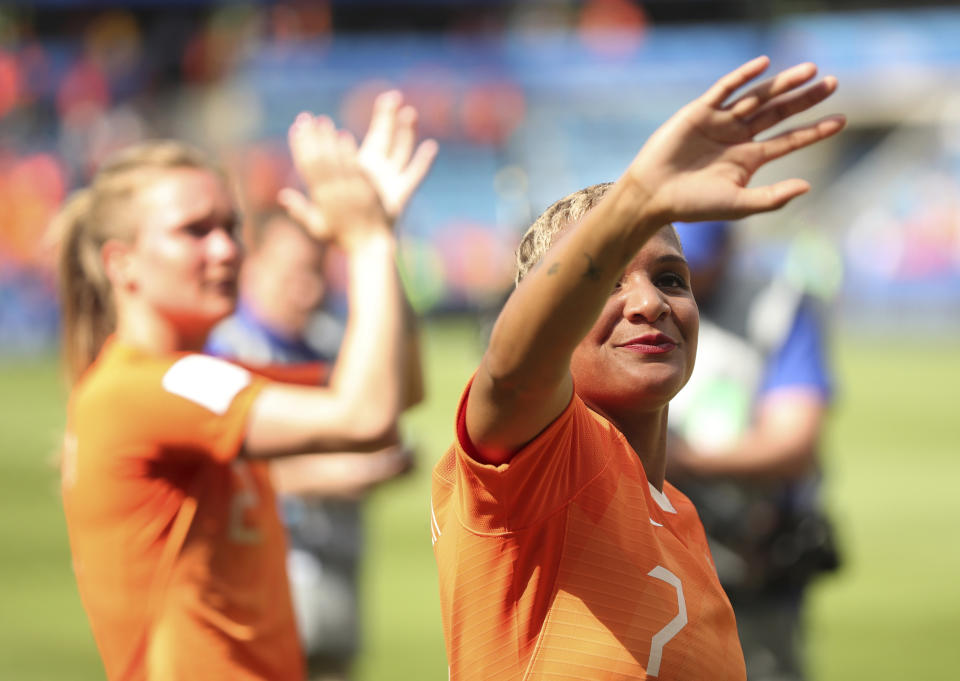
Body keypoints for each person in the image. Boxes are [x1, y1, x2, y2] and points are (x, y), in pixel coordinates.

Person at [430, 56, 844, 680]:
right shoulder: (534, 467)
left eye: (671, 279)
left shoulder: (680, 517)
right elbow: (514, 369)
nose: (651, 303)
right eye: (605, 285)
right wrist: (638, 199)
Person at [54, 96, 432, 681]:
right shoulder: (140, 389)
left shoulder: (200, 377)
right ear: (121, 263)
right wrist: (368, 244)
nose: (226, 249)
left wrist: (381, 236)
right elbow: (365, 417)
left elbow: (395, 390)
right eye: (194, 231)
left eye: (231, 227)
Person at [206, 91, 434, 681]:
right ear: (251, 265)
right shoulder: (226, 349)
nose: (304, 290)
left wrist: (382, 241)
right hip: (255, 587)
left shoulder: (331, 337)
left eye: (314, 273)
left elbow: (406, 392)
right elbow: (226, 468)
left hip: (334, 577)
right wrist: (351, 472)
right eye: (289, 273)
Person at [665, 220, 838, 681]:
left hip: (751, 556)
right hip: (653, 557)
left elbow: (793, 444)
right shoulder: (630, 305)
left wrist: (674, 460)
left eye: (693, 265)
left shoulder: (777, 305)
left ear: (730, 247)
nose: (689, 279)